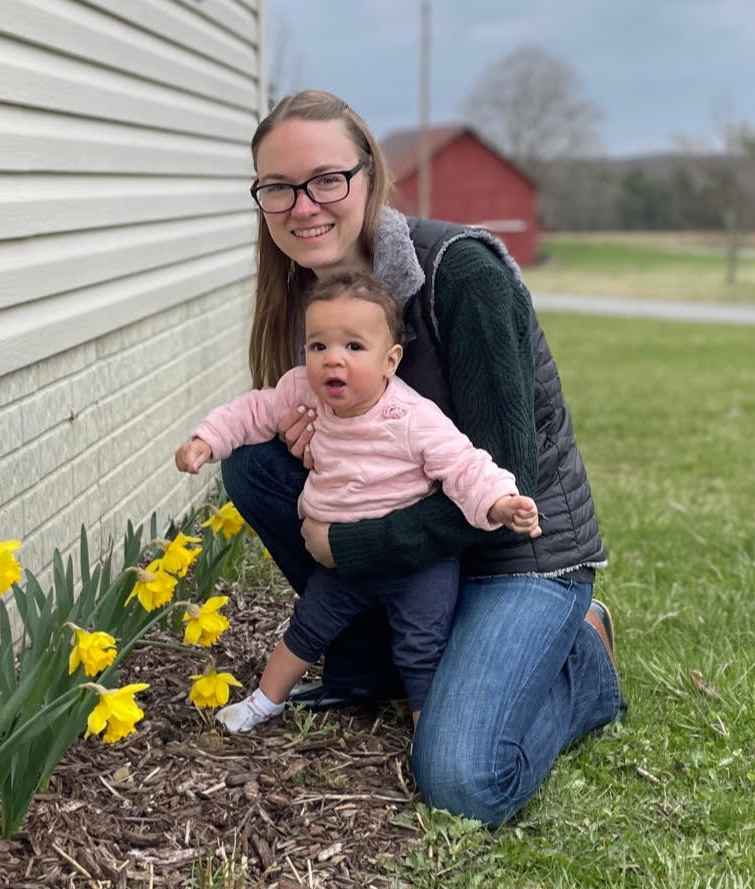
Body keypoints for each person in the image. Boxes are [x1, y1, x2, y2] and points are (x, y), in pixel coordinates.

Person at [217, 89, 626, 827]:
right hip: (417, 563)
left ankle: (585, 661)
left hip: (517, 551)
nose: (302, 205)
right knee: (251, 461)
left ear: (369, 175)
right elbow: (327, 443)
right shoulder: (307, 299)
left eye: (326, 180)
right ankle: (374, 662)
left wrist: (351, 541)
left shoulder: (460, 275)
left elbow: (508, 479)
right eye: (277, 187)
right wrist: (307, 448)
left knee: (462, 780)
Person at [176, 271, 540, 733]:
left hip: (417, 565)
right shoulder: (302, 391)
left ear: (390, 361)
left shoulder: (412, 418)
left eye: (353, 347)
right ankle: (264, 702)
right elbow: (252, 411)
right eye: (318, 346)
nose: (333, 361)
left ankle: (426, 733)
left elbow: (464, 466)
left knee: (421, 648)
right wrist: (206, 441)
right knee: (306, 629)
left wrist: (501, 502)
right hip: (343, 560)